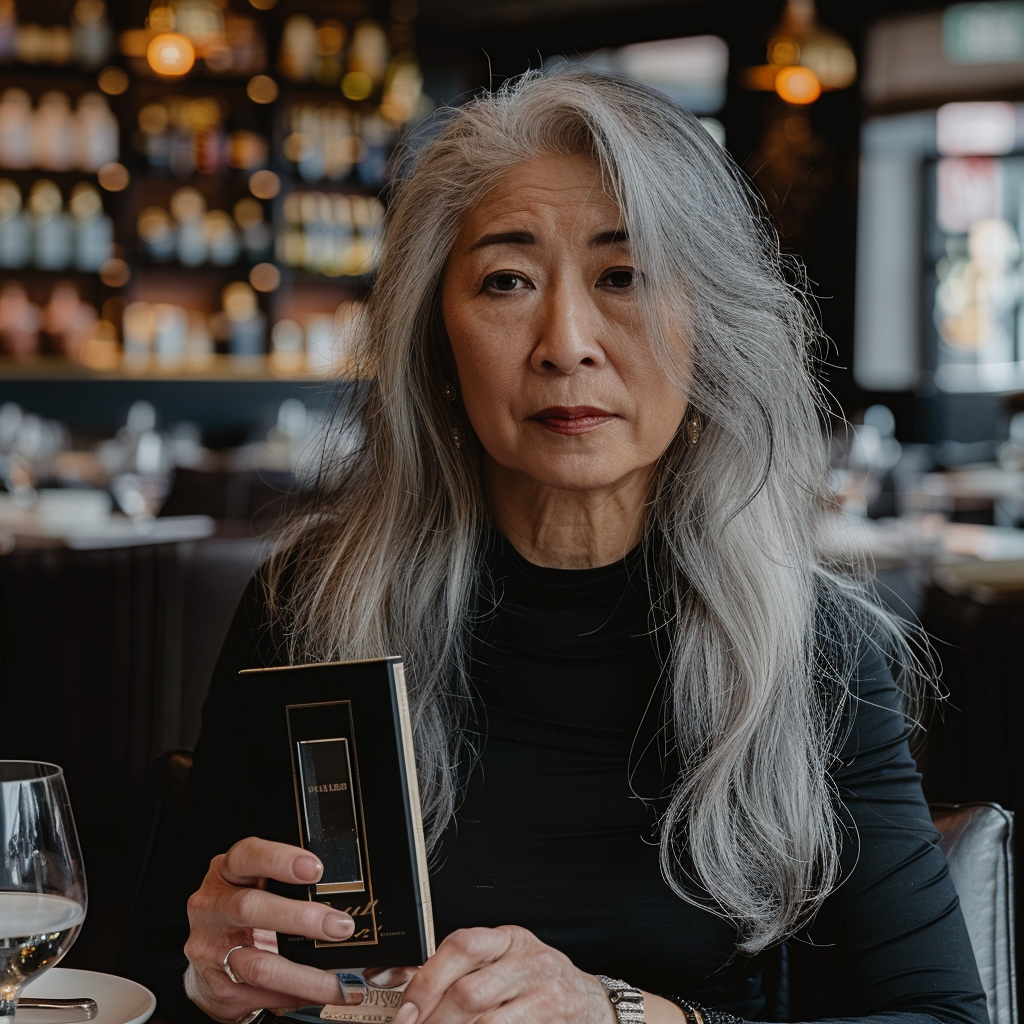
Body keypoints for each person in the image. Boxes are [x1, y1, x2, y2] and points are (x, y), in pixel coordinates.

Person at [127, 68, 988, 1024]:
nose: (566, 340)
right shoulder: (311, 608)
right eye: (507, 280)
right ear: (436, 345)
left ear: (709, 330)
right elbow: (159, 970)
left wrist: (617, 1014)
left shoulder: (809, 651)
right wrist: (203, 976)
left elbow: (942, 1016)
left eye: (623, 276)